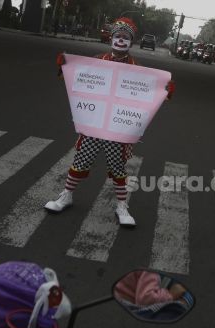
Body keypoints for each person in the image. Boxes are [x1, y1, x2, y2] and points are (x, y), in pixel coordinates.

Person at [47, 17, 175, 227]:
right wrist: (64, 67)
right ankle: (66, 195)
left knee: (118, 168)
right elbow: (78, 79)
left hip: (117, 127)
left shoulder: (138, 69)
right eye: (118, 36)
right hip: (94, 124)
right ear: (111, 39)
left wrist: (165, 91)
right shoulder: (97, 60)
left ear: (131, 42)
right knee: (81, 160)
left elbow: (149, 93)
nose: (121, 40)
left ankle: (121, 206)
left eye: (126, 38)